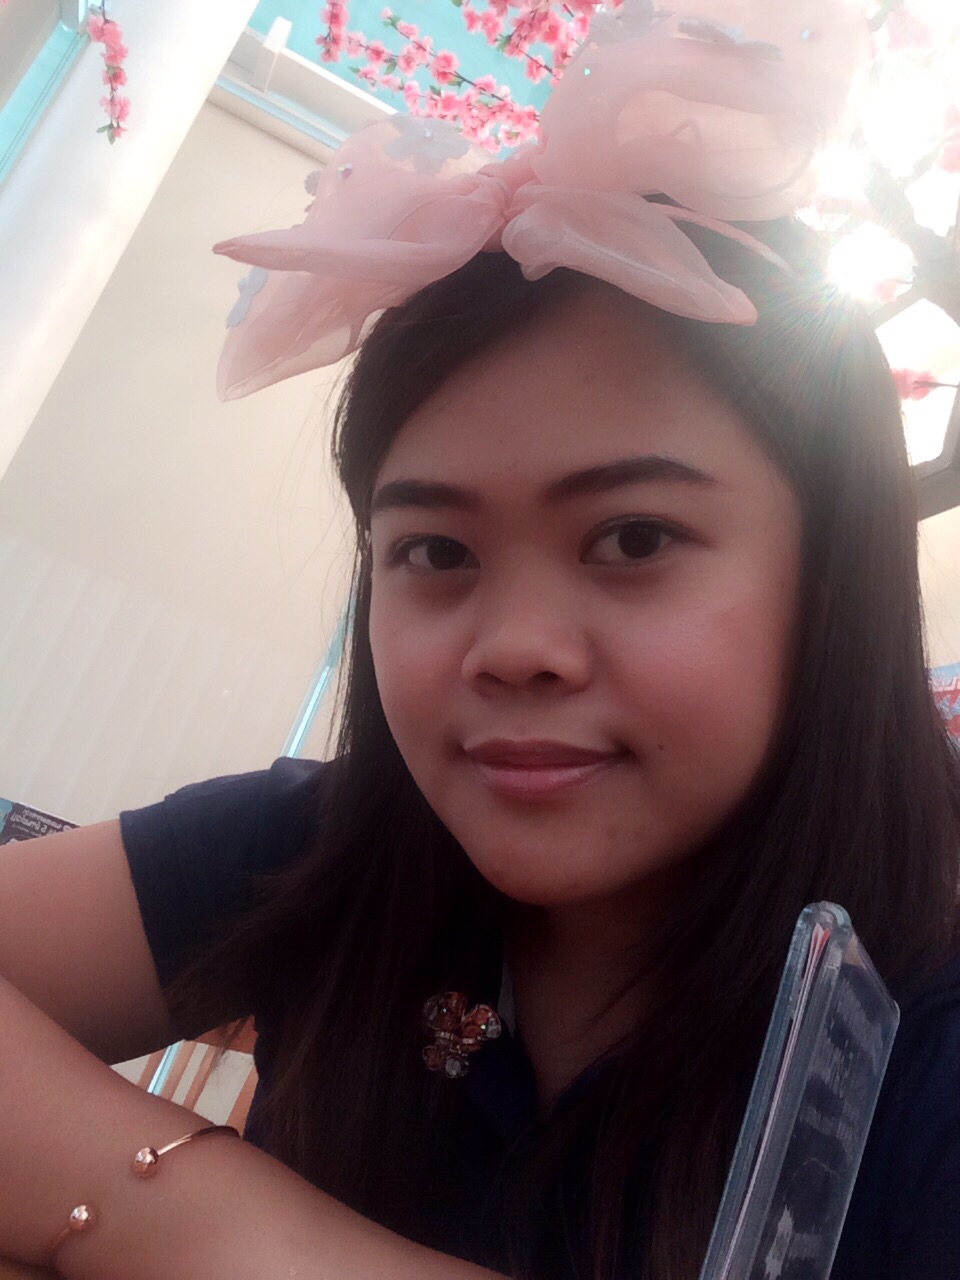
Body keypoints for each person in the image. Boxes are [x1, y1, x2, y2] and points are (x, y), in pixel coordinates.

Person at [1, 3, 959, 1279]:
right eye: (436, 552)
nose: (513, 648)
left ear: (831, 581)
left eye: (632, 538)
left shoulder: (924, 1033)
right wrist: (193, 1208)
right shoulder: (320, 849)